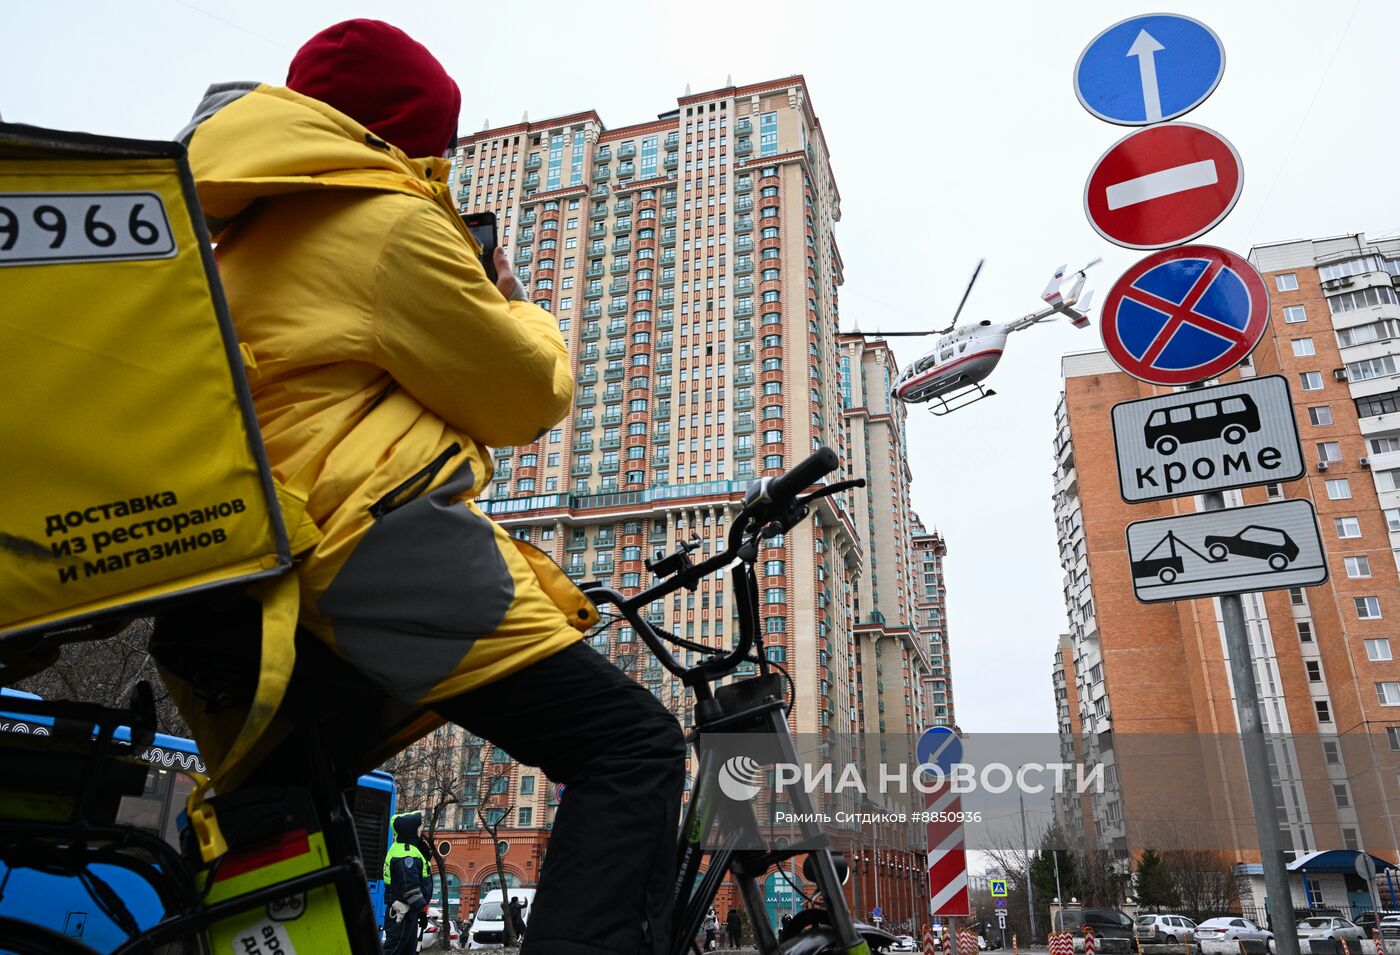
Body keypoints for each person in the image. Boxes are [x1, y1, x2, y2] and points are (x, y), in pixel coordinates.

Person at [178, 19, 685, 955]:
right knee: (633, 747)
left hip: (254, 563)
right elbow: (523, 395)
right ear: (409, 134)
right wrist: (511, 297)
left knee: (291, 818)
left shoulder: (237, 229)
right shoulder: (388, 220)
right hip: (371, 546)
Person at [383, 811, 434, 955]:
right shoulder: (406, 855)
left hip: (407, 911)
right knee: (394, 950)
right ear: (411, 831)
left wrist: (424, 852)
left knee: (406, 950)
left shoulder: (405, 849)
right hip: (403, 913)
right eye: (418, 828)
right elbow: (409, 887)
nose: (421, 831)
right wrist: (421, 911)